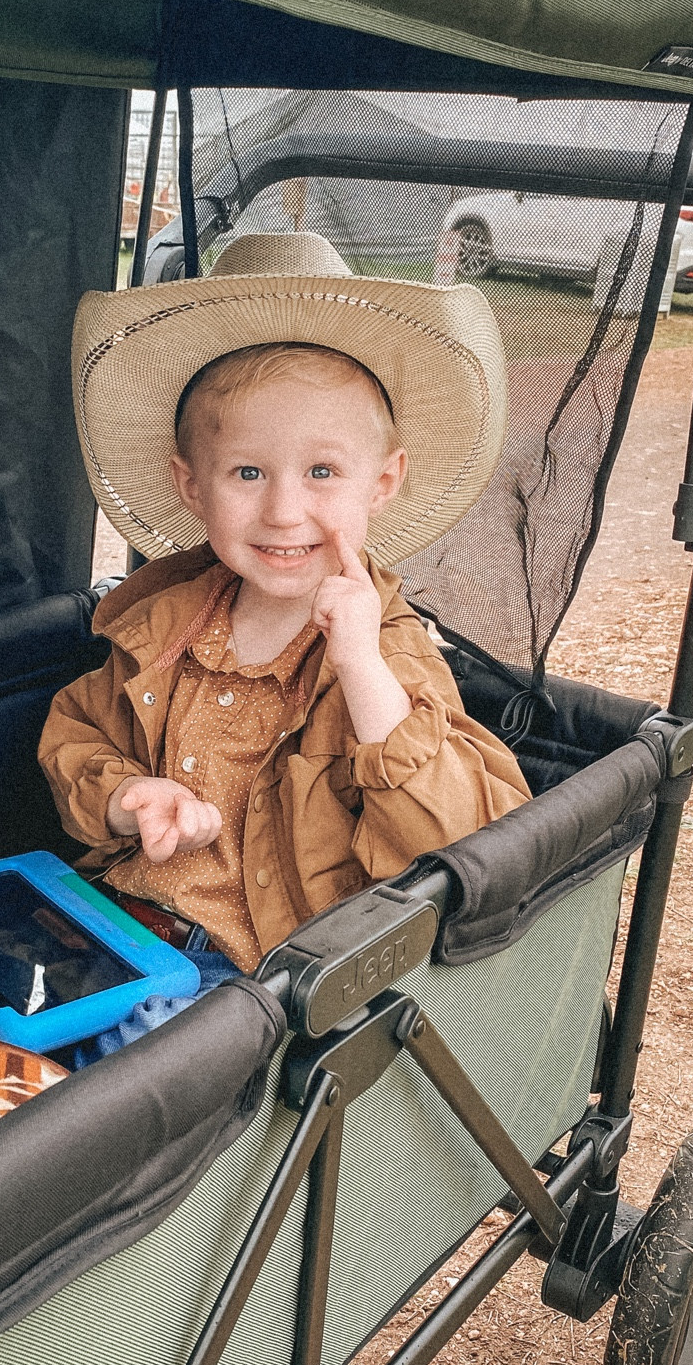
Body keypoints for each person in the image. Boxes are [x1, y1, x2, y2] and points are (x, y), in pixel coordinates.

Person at [40, 232, 532, 1055]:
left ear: (384, 481)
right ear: (191, 485)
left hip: (259, 982)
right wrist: (129, 796)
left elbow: (471, 846)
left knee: (122, 1072)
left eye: (323, 473)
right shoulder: (164, 625)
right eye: (247, 474)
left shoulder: (388, 657)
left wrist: (362, 669)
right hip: (120, 929)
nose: (283, 511)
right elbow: (76, 734)